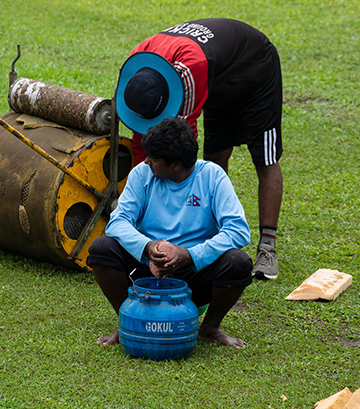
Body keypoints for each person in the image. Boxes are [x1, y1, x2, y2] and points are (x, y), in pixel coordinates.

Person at [115, 18, 284, 280]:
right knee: (215, 154)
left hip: (254, 70)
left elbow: (185, 144)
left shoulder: (189, 70)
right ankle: (212, 234)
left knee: (264, 158)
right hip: (219, 75)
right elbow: (143, 137)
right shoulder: (138, 65)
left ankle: (267, 248)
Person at [88, 117, 253, 348]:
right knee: (102, 249)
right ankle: (128, 321)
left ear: (176, 164)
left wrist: (190, 255)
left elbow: (238, 231)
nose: (146, 161)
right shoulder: (141, 174)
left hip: (194, 271)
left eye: (154, 159)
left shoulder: (212, 176)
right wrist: (148, 247)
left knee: (239, 262)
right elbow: (117, 222)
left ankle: (210, 328)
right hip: (146, 269)